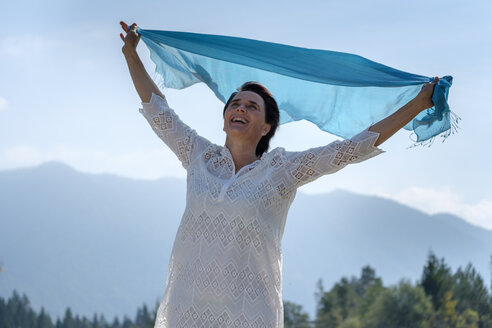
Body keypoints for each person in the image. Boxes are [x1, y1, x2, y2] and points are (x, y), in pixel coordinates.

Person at [120, 21, 438, 328]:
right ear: (225, 118)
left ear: (266, 127)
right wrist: (131, 54)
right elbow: (157, 110)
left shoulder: (282, 171)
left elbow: (351, 149)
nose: (241, 109)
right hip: (187, 310)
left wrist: (419, 103)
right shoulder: (199, 156)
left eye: (251, 107)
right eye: (236, 104)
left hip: (249, 314)